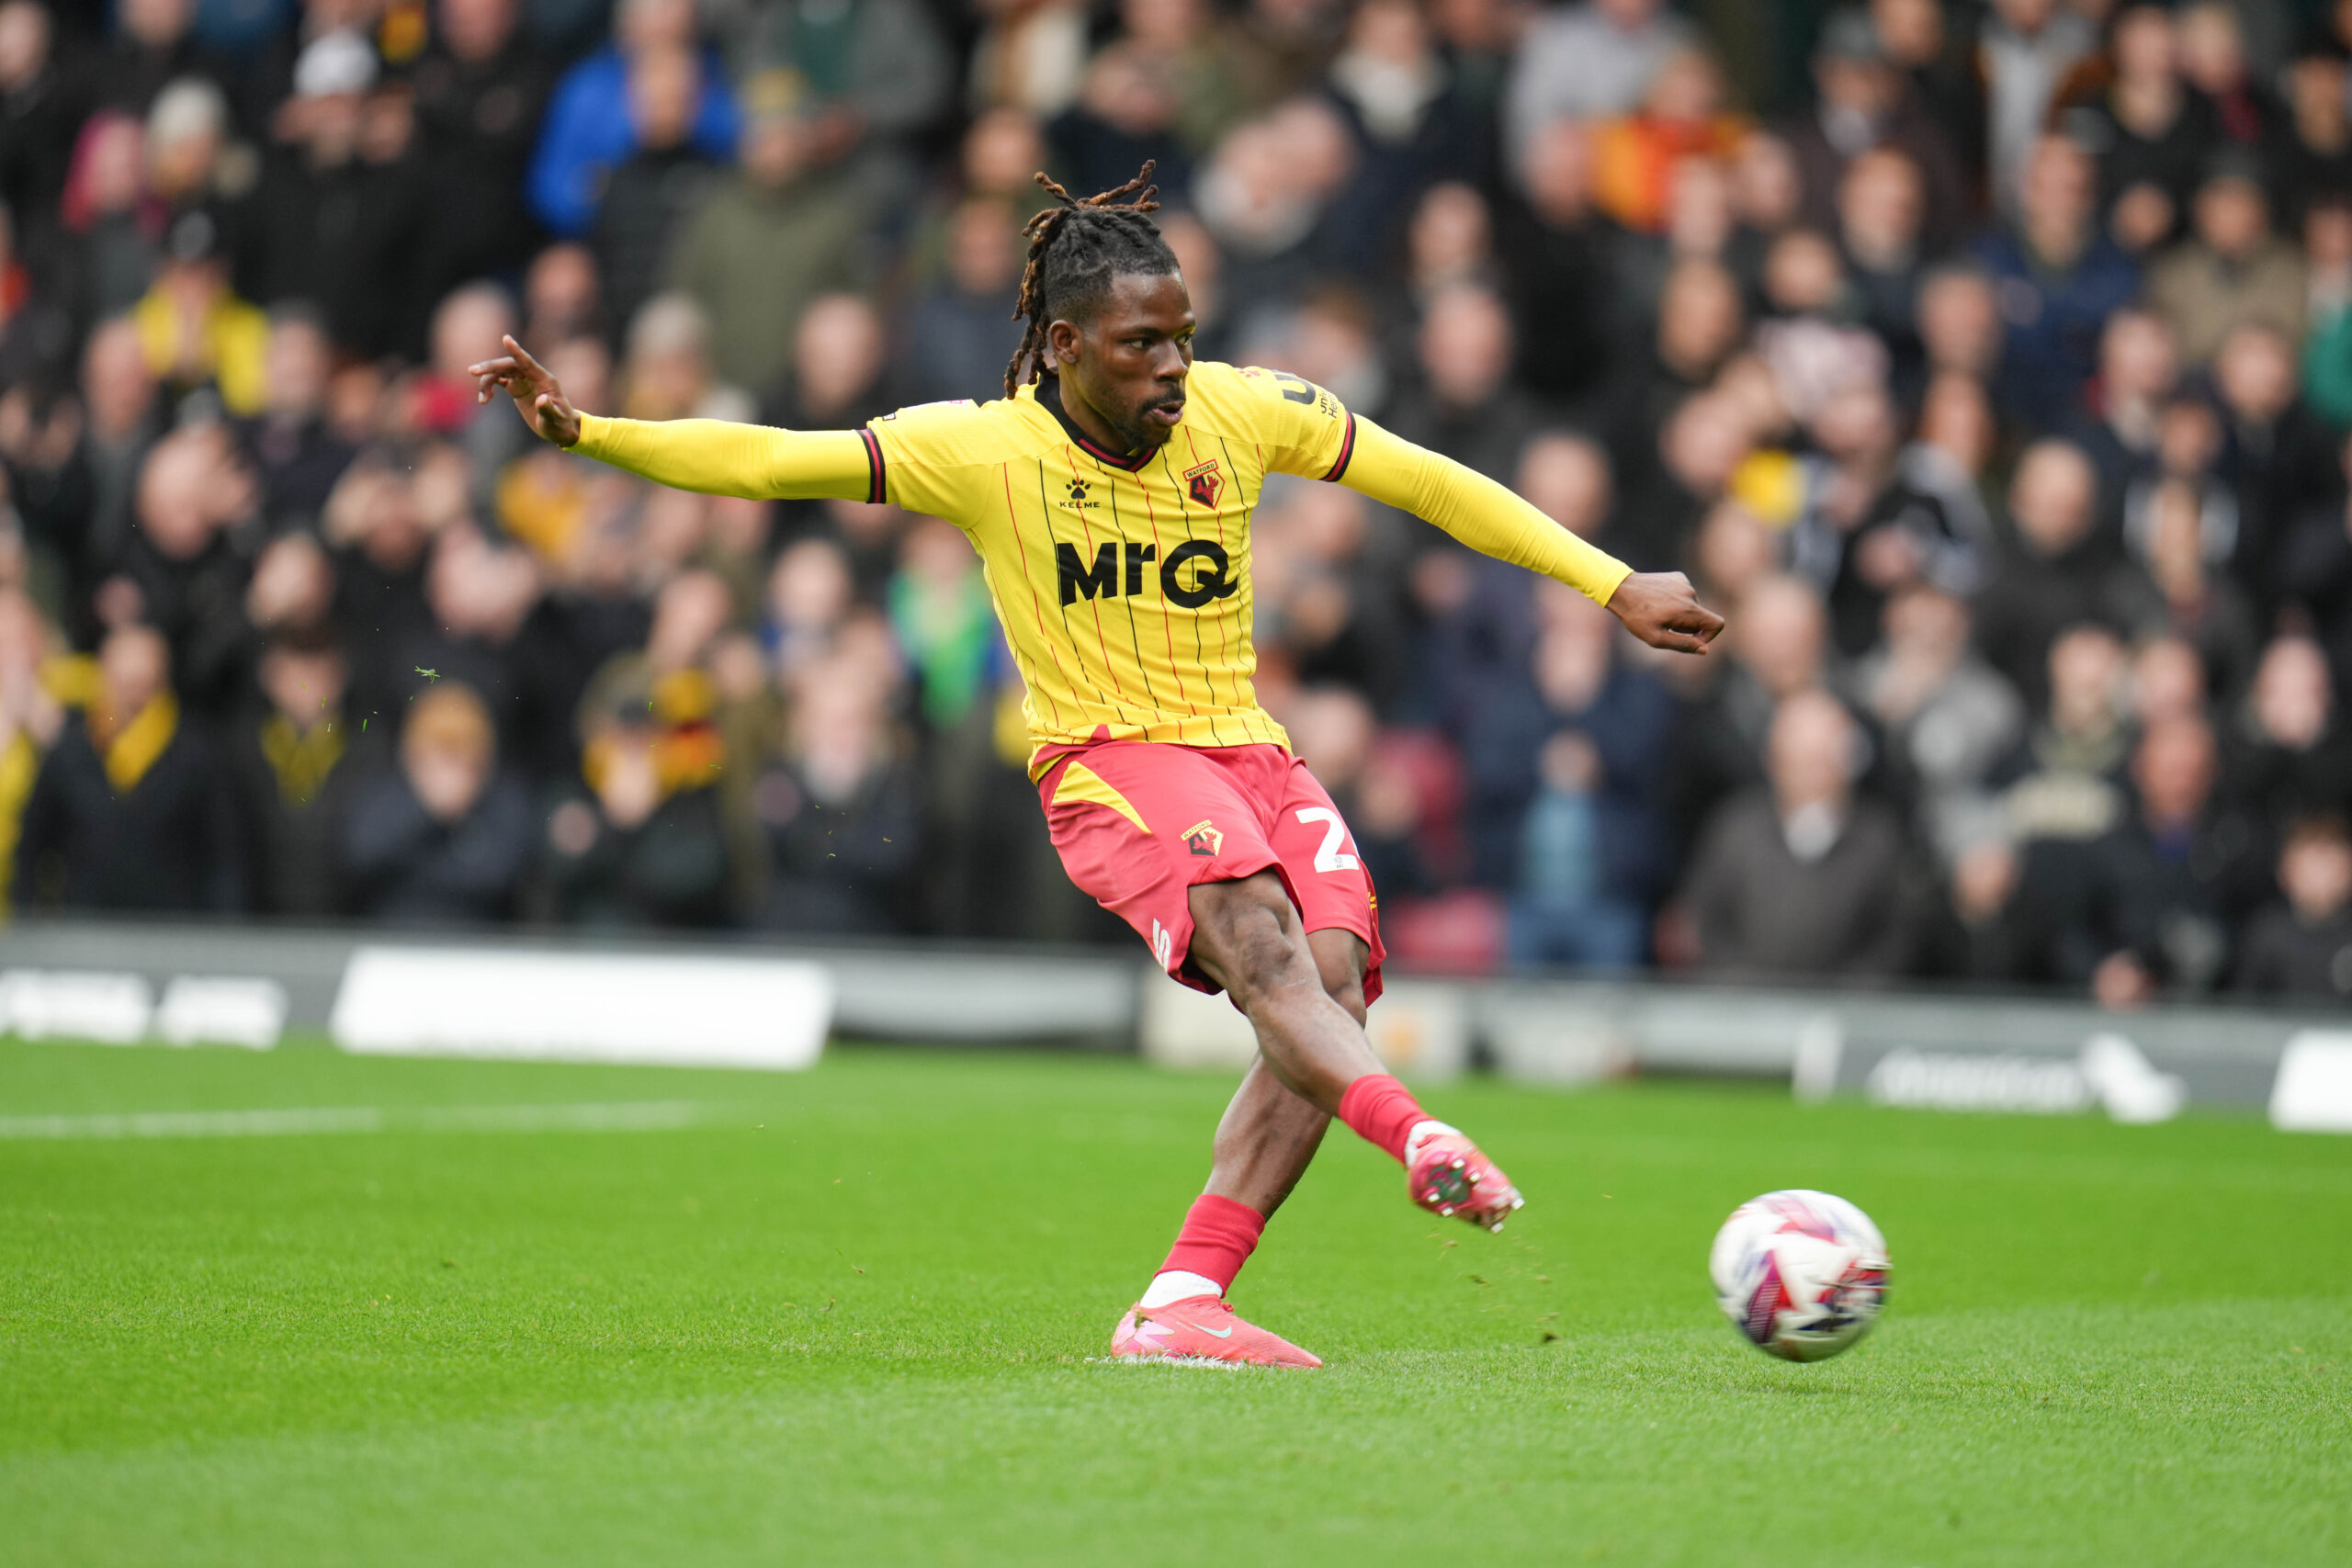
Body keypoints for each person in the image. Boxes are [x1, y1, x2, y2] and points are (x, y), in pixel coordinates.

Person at [469, 162, 1724, 1369]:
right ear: (1065, 346)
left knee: (1332, 983)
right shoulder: (984, 451)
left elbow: (1434, 485)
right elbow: (770, 458)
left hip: (1251, 749)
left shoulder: (1245, 411)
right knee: (1266, 944)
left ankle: (1184, 1298)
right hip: (1110, 760)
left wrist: (1610, 581)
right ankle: (1418, 1133)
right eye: (1141, 344)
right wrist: (585, 432)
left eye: (1182, 334)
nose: (1174, 363)